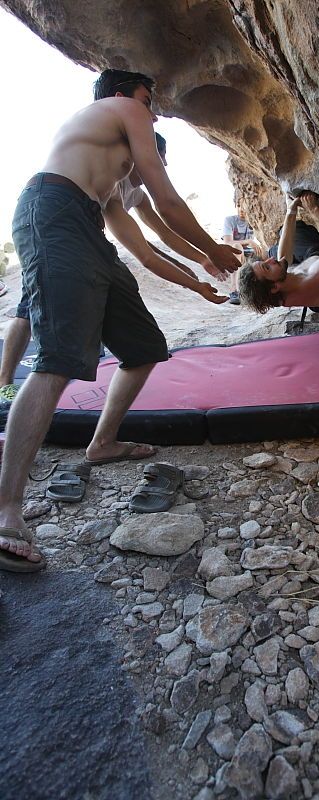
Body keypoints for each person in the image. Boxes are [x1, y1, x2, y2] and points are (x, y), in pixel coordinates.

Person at [0, 68, 239, 572]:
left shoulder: (109, 189)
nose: (152, 111)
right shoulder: (123, 110)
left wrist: (201, 276)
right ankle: (5, 511)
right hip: (53, 211)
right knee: (59, 359)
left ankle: (101, 443)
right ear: (122, 96)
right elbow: (169, 199)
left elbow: (150, 252)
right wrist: (213, 246)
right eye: (148, 99)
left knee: (143, 346)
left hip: (86, 226)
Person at [0, 132, 224, 405]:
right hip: (56, 226)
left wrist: (201, 259)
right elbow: (144, 254)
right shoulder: (112, 183)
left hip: (87, 241)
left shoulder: (137, 195)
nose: (163, 164)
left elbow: (162, 235)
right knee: (28, 306)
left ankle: (102, 440)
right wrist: (197, 285)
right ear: (142, 155)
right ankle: (4, 383)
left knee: (141, 344)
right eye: (159, 156)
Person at [239, 192, 319, 325]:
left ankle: (288, 221)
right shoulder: (318, 275)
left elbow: (283, 258)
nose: (270, 260)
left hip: (312, 290)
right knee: (297, 229)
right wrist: (313, 209)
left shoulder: (275, 294)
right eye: (267, 267)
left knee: (277, 250)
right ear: (275, 287)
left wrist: (291, 210)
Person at [222, 205, 263, 305]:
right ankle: (234, 289)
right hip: (235, 252)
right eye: (239, 205)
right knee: (237, 246)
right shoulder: (230, 220)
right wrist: (248, 241)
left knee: (266, 251)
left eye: (244, 205)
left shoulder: (254, 220)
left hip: (249, 254)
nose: (241, 209)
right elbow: (228, 242)